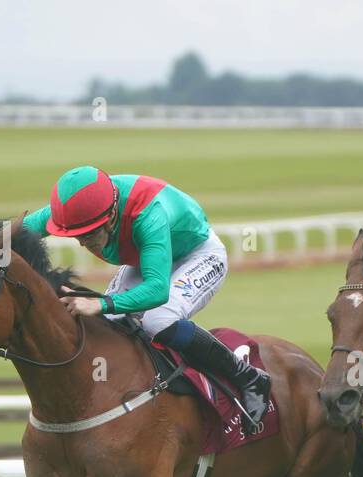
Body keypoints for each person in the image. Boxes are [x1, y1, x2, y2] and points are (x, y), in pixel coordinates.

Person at [21, 166, 270, 430]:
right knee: (110, 321)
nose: (83, 243)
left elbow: (156, 291)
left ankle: (249, 378)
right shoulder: (79, 206)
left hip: (198, 255)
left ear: (111, 216)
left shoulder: (148, 214)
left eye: (89, 234)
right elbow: (19, 231)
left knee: (157, 320)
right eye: (76, 236)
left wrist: (101, 302)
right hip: (149, 258)